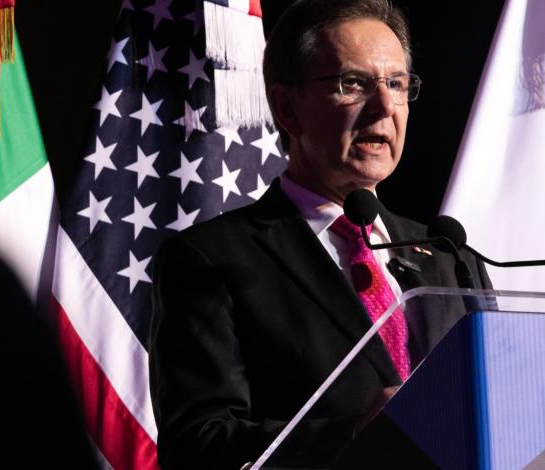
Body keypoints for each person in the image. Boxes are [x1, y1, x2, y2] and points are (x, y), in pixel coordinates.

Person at [148, 1, 491, 468]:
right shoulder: (211, 259)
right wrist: (349, 434)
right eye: (354, 84)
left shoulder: (448, 256)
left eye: (396, 84)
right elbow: (198, 444)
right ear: (287, 108)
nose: (385, 106)